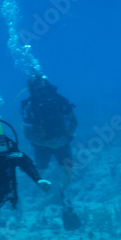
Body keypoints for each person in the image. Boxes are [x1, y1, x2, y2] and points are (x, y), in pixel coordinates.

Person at [21, 73, 81, 230]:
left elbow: (74, 121)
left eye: (44, 89)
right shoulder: (29, 107)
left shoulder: (60, 101)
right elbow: (28, 134)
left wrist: (66, 136)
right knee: (40, 170)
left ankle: (64, 194)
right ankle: (39, 193)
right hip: (42, 145)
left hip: (62, 140)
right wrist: (46, 143)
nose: (42, 93)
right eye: (38, 90)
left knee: (68, 171)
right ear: (33, 91)